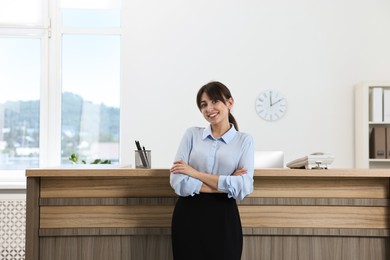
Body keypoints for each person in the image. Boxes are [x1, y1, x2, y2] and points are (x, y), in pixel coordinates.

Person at [170, 81, 255, 260]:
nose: (209, 108)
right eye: (203, 105)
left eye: (215, 101)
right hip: (188, 216)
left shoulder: (244, 141)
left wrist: (194, 173)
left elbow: (244, 186)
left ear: (229, 103)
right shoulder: (191, 134)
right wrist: (225, 183)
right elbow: (178, 182)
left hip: (223, 217)